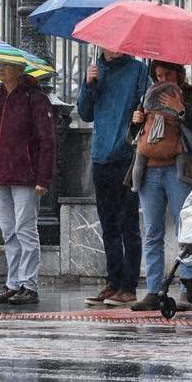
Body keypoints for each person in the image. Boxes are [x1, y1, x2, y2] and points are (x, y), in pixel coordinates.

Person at [129, 60, 192, 313]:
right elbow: (133, 136)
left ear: (179, 74)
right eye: (158, 75)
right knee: (152, 231)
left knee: (185, 228)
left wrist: (182, 110)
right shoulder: (148, 95)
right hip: (149, 169)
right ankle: (154, 290)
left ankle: (188, 288)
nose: (162, 79)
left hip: (180, 169)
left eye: (167, 74)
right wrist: (135, 121)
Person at [0, 62, 56, 306]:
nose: (1, 70)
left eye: (7, 66)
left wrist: (43, 178)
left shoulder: (35, 98)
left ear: (20, 70)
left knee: (25, 229)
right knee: (8, 231)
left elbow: (47, 140)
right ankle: (13, 283)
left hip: (25, 174)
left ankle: (28, 284)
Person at [77, 48, 147, 308]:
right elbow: (85, 113)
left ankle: (129, 286)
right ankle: (113, 280)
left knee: (127, 223)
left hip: (127, 155)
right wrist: (88, 85)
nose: (112, 47)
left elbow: (147, 106)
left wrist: (140, 116)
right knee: (108, 225)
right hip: (100, 157)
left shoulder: (138, 70)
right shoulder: (97, 70)